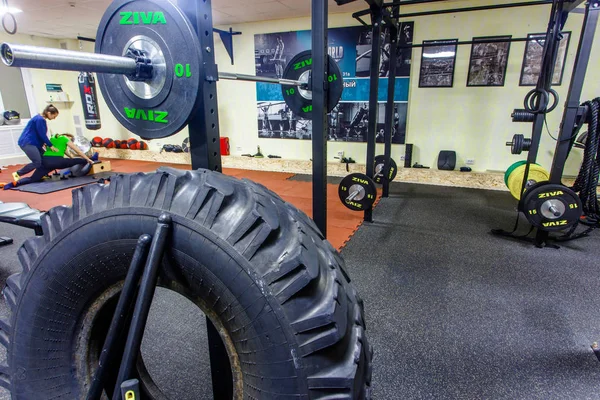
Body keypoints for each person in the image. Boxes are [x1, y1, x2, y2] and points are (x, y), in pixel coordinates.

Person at [4, 134, 95, 190]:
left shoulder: (52, 138)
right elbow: (78, 151)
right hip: (57, 162)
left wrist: (70, 157)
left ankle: (14, 184)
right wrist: (88, 159)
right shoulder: (66, 139)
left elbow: (63, 151)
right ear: (69, 136)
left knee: (33, 179)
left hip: (45, 161)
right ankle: (93, 158)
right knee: (79, 160)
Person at [12, 105, 60, 182]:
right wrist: (51, 145)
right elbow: (42, 134)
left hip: (34, 143)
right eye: (54, 116)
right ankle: (17, 173)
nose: (54, 118)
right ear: (48, 113)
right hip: (28, 143)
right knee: (37, 162)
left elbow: (38, 133)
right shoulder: (40, 119)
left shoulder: (39, 118)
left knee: (45, 159)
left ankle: (40, 175)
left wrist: (43, 143)